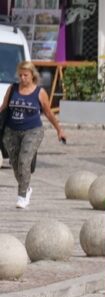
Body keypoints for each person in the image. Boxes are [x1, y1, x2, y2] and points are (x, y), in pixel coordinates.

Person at [0, 61, 65, 209]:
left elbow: (48, 113)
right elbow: (3, 107)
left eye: (26, 75)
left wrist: (59, 129)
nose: (22, 78)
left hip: (33, 130)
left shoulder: (39, 92)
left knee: (24, 162)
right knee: (16, 165)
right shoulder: (12, 89)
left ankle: (22, 196)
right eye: (20, 75)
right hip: (11, 131)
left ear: (32, 75)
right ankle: (27, 188)